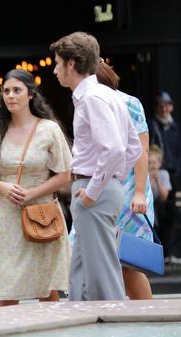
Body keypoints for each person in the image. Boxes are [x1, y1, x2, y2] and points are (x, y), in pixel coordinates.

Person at [50, 32, 141, 301]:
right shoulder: (106, 94)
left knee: (101, 278)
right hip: (98, 188)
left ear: (72, 63)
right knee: (81, 274)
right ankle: (87, 334)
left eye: (57, 63)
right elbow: (133, 147)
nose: (54, 70)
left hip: (92, 190)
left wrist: (94, 190)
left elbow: (115, 149)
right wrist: (112, 181)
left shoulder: (92, 98)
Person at [0, 69, 72, 306]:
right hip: (6, 215)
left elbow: (64, 175)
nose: (10, 96)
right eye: (6, 91)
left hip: (42, 213)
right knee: (7, 286)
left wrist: (32, 192)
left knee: (46, 283)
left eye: (17, 90)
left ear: (31, 94)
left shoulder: (49, 129)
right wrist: (3, 187)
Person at [67, 61, 155, 300]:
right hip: (102, 183)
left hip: (125, 188)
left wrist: (138, 192)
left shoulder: (126, 102)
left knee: (128, 261)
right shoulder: (87, 100)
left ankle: (145, 313)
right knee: (86, 251)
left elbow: (141, 150)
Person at [148, 91, 180, 261]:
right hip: (154, 172)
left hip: (172, 175)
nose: (164, 109)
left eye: (167, 105)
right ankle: (157, 253)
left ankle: (170, 252)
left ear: (172, 107)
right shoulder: (152, 126)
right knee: (155, 214)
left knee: (172, 213)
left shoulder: (175, 128)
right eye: (161, 105)